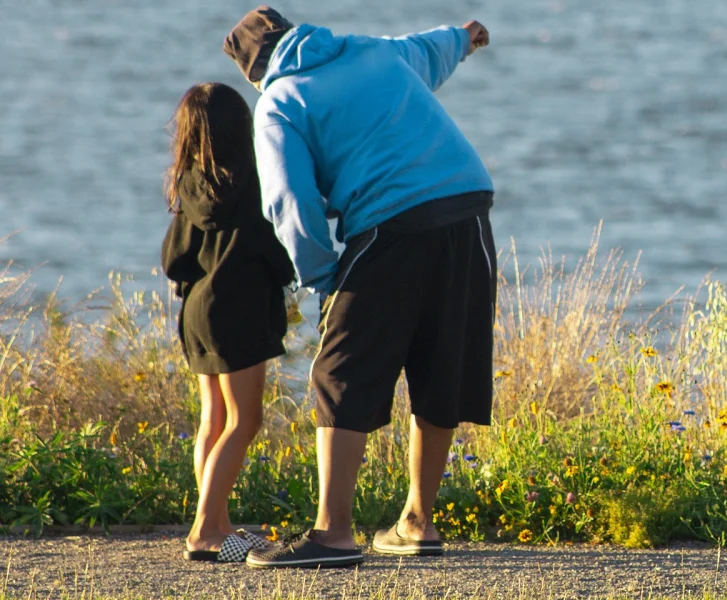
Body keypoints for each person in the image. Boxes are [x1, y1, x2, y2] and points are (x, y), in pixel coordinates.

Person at [222, 6, 495, 568]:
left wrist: (324, 277)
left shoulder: (278, 102)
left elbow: (290, 204)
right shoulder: (368, 50)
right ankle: (417, 522)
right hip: (468, 207)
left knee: (339, 371)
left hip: (391, 223)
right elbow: (426, 49)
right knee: (443, 360)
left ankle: (333, 535)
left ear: (253, 70)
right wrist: (464, 38)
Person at [160, 82, 296, 563]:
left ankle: (218, 523)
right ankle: (203, 532)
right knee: (244, 419)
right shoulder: (254, 181)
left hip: (196, 309)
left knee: (212, 419)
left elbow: (173, 258)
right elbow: (275, 251)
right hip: (240, 309)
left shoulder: (189, 182)